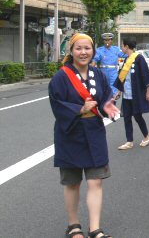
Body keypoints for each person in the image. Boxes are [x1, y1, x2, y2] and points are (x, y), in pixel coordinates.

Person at [48, 33, 120, 238]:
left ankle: (95, 229)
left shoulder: (99, 75)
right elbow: (57, 104)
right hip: (70, 133)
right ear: (71, 51)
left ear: (93, 51)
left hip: (94, 131)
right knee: (72, 182)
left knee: (96, 181)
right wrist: (80, 109)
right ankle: (73, 226)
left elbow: (105, 98)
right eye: (78, 48)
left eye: (87, 48)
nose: (83, 52)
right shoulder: (61, 77)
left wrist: (109, 107)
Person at [113, 38, 149, 150]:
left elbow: (145, 75)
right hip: (126, 94)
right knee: (126, 118)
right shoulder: (126, 59)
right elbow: (123, 77)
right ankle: (129, 141)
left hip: (136, 94)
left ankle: (147, 136)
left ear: (127, 46)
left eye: (122, 46)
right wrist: (119, 91)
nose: (122, 48)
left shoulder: (139, 58)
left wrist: (148, 91)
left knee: (137, 116)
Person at [93, 32, 126, 97]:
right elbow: (94, 61)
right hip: (103, 72)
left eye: (108, 40)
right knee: (103, 89)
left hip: (113, 72)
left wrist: (130, 51)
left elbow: (124, 55)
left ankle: (113, 100)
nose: (107, 42)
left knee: (114, 90)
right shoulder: (99, 50)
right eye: (105, 40)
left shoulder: (116, 49)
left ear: (111, 41)